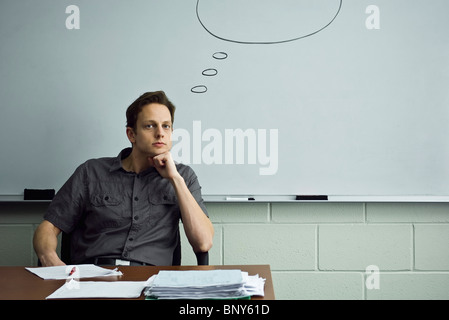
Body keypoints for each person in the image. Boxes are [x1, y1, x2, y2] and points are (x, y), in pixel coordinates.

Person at [33, 91, 214, 266]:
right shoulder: (91, 172)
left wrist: (175, 179)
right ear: (131, 134)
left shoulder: (184, 176)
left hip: (152, 282)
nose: (160, 133)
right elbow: (47, 228)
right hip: (94, 278)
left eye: (166, 126)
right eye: (150, 126)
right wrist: (49, 258)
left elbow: (203, 243)